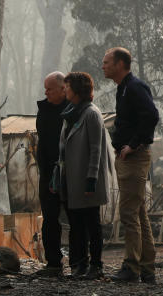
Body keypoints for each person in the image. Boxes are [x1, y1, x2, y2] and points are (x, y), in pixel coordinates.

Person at [102, 47, 159, 283]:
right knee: (139, 213)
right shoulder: (123, 89)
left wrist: (133, 145)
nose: (103, 65)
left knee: (128, 213)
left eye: (107, 62)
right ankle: (147, 268)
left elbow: (151, 115)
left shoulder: (134, 87)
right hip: (127, 157)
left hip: (133, 158)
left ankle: (132, 267)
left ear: (120, 64)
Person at [55, 72, 113, 279]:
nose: (65, 90)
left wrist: (91, 180)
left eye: (68, 87)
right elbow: (62, 148)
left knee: (92, 224)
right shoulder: (70, 113)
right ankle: (80, 264)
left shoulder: (91, 113)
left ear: (78, 89)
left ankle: (96, 266)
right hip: (71, 179)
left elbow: (96, 149)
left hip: (87, 180)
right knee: (76, 224)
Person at [34, 72, 70, 277]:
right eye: (45, 88)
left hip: (70, 172)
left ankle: (82, 262)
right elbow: (43, 145)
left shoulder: (74, 109)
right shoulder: (44, 110)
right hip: (48, 173)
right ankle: (53, 263)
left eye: (49, 89)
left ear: (63, 88)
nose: (45, 92)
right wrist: (46, 174)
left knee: (76, 217)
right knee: (49, 219)